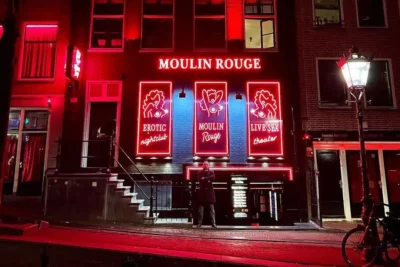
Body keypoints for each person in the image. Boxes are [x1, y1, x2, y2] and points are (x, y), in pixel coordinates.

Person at [197, 161, 217, 228]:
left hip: (209, 193)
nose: (205, 165)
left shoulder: (212, 172)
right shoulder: (199, 172)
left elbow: (213, 178)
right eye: (204, 164)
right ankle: (199, 223)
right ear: (202, 165)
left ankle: (213, 223)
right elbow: (199, 179)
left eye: (207, 164)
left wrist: (205, 178)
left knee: (211, 209)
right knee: (200, 210)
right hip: (202, 193)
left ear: (209, 165)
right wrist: (208, 178)